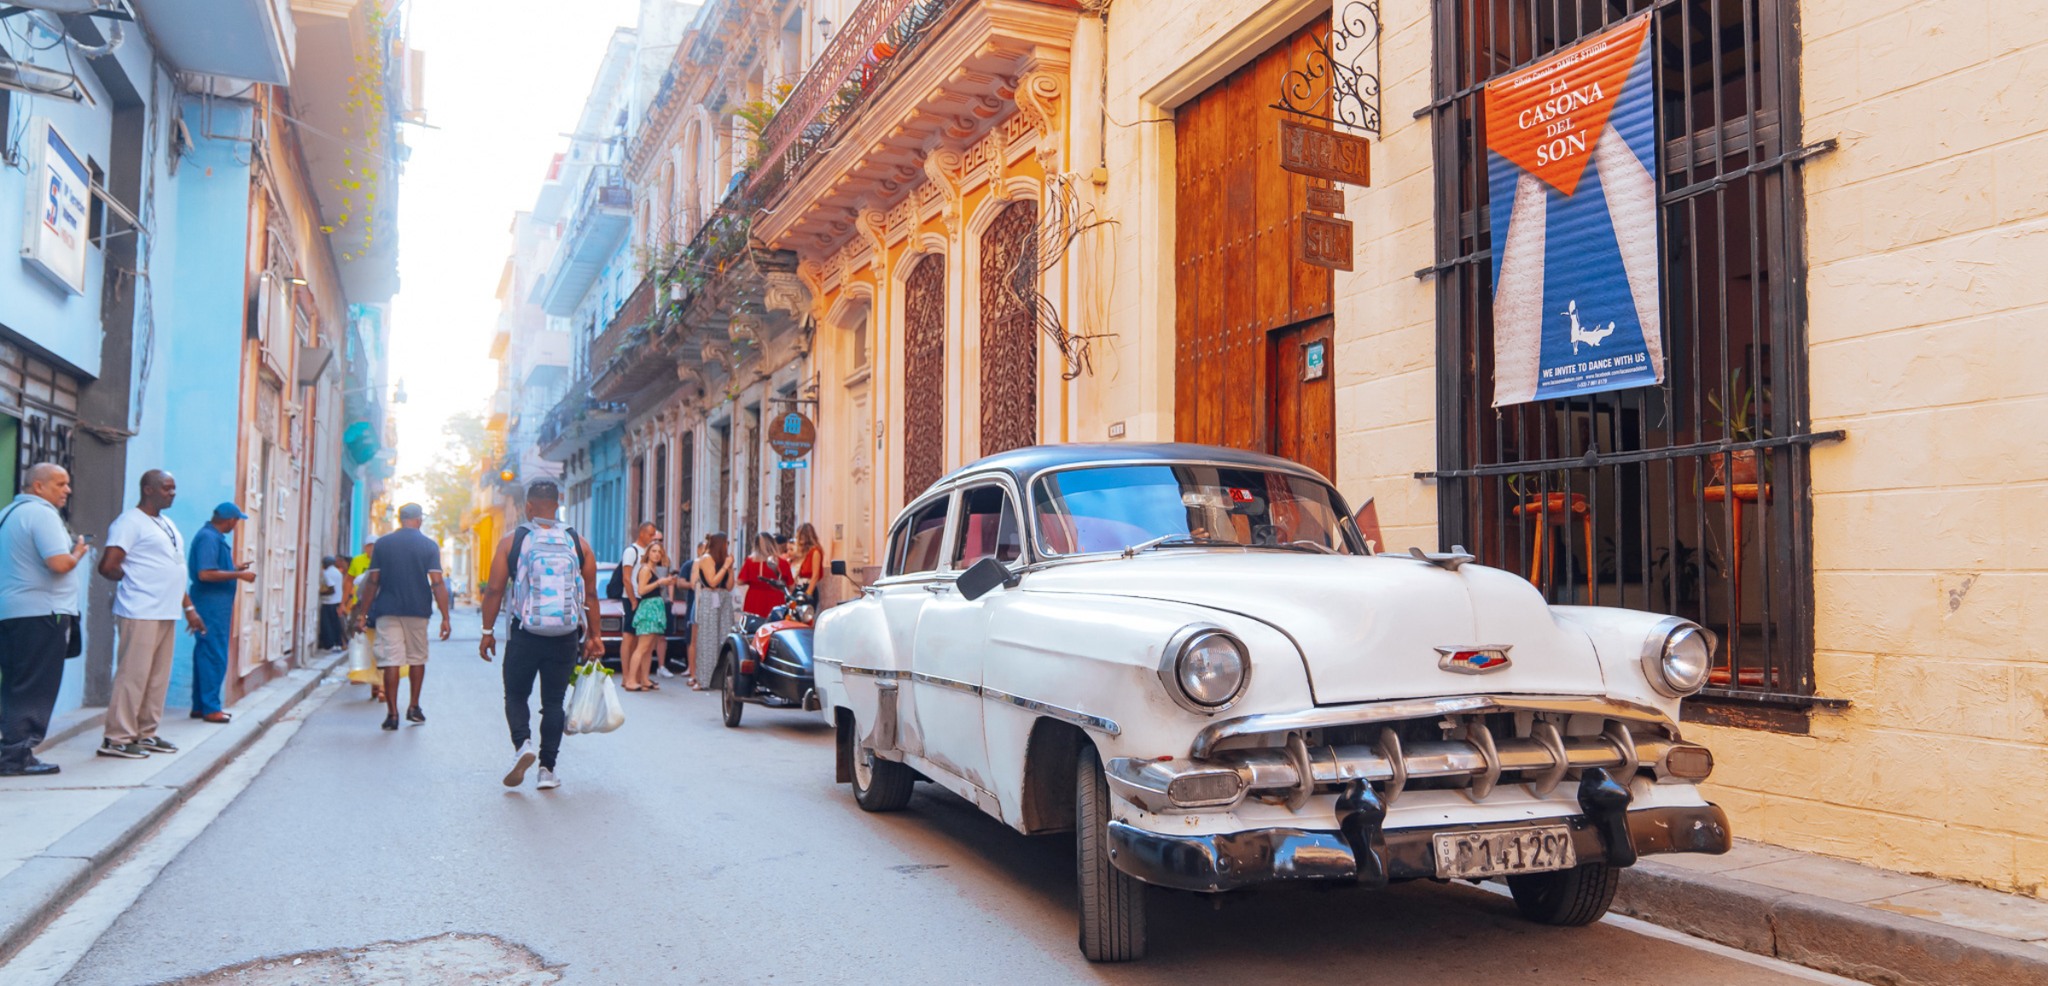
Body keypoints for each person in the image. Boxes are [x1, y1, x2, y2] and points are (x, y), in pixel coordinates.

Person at [478, 480, 603, 791]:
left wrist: (487, 631)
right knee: (554, 702)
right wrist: (595, 636)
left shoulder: (512, 542)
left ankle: (523, 745)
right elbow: (591, 595)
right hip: (565, 635)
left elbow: (494, 590)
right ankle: (547, 770)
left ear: (528, 507)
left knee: (517, 695)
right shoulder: (578, 543)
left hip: (525, 634)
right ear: (559, 504)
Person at [97, 470, 207, 759]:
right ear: (148, 490)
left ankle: (146, 733)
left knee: (157, 677)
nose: (173, 493)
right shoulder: (129, 522)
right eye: (167, 488)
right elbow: (108, 565)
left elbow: (174, 568)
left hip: (166, 610)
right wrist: (137, 580)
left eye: (174, 488)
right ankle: (117, 737)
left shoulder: (165, 523)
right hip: (140, 609)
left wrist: (189, 607)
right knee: (132, 675)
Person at [0, 464, 89, 777]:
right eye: (60, 484)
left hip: (14, 613)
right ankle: (16, 756)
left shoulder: (9, 513)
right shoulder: (42, 514)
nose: (67, 490)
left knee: (16, 684)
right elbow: (60, 563)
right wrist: (78, 550)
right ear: (38, 487)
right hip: (42, 614)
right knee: (36, 687)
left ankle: (11, 752)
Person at [355, 503, 452, 731]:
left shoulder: (383, 544)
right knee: (417, 658)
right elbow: (437, 583)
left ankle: (392, 714)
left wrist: (362, 614)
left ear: (400, 519)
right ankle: (413, 707)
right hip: (418, 610)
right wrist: (445, 616)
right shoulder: (428, 545)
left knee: (391, 660)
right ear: (419, 520)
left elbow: (372, 581)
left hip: (387, 610)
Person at [187, 502, 255, 723]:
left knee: (205, 653)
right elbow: (205, 574)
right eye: (236, 521)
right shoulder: (209, 538)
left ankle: (201, 705)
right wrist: (239, 576)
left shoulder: (211, 537)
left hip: (215, 604)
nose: (235, 526)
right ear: (230, 520)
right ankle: (211, 708)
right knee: (214, 654)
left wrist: (233, 568)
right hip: (211, 606)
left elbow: (212, 567)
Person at [624, 543, 679, 692]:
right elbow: (641, 590)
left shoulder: (652, 569)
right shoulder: (646, 569)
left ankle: (644, 679)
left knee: (649, 648)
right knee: (642, 647)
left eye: (659, 552)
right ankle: (631, 680)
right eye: (654, 551)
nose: (656, 554)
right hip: (648, 610)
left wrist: (664, 582)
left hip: (654, 609)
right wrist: (659, 582)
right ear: (648, 553)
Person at [689, 532, 732, 690]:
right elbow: (713, 582)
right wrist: (726, 566)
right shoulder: (707, 558)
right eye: (726, 543)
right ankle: (703, 679)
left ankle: (722, 678)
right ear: (720, 544)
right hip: (709, 598)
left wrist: (730, 568)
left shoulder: (724, 560)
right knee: (707, 639)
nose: (728, 546)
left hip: (724, 599)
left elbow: (729, 586)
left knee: (725, 637)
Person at [615, 522, 658, 672]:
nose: (653, 538)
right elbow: (626, 578)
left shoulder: (648, 551)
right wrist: (633, 600)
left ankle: (638, 676)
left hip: (644, 599)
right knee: (629, 636)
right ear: (641, 533)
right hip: (631, 598)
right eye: (650, 534)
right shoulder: (631, 551)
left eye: (654, 535)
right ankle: (626, 676)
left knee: (640, 638)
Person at [736, 532, 792, 624]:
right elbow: (791, 586)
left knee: (753, 627)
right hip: (775, 598)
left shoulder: (750, 561)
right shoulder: (782, 562)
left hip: (754, 599)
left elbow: (740, 581)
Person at [317, 555, 347, 651]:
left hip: (329, 602)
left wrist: (320, 592)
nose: (322, 566)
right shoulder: (337, 572)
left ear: (327, 563)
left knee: (327, 624)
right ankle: (337, 643)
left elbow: (331, 589)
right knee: (335, 624)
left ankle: (329, 644)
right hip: (337, 601)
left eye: (323, 563)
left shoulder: (327, 573)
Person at [791, 523, 826, 597]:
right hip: (798, 587)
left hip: (808, 587)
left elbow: (815, 575)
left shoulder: (815, 551)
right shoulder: (802, 552)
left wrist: (808, 593)